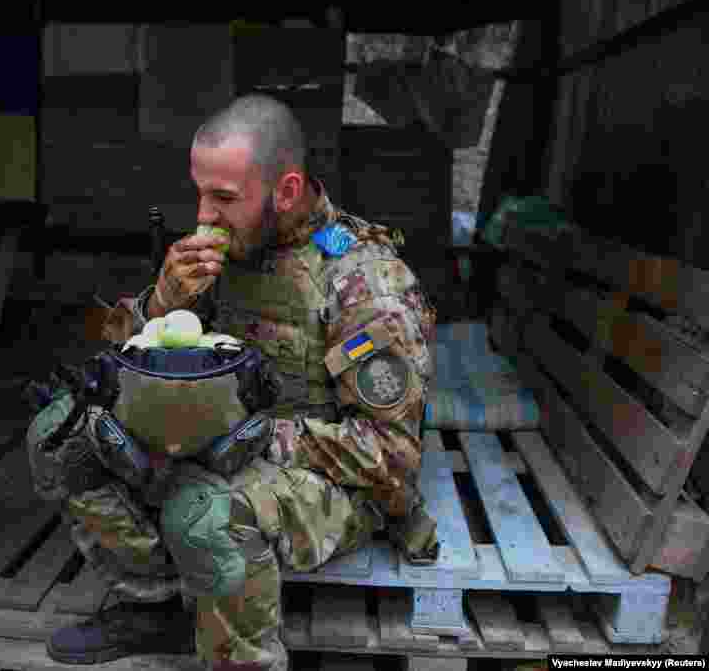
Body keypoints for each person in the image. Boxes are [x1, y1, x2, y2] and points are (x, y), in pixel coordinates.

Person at [27, 93, 440, 671]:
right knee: (61, 433)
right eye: (199, 192)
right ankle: (154, 606)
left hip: (332, 478)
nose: (204, 216)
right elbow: (123, 351)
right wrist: (161, 302)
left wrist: (255, 437)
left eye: (223, 197)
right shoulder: (232, 249)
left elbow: (391, 456)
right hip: (219, 439)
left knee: (199, 511)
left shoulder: (365, 283)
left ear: (287, 191)